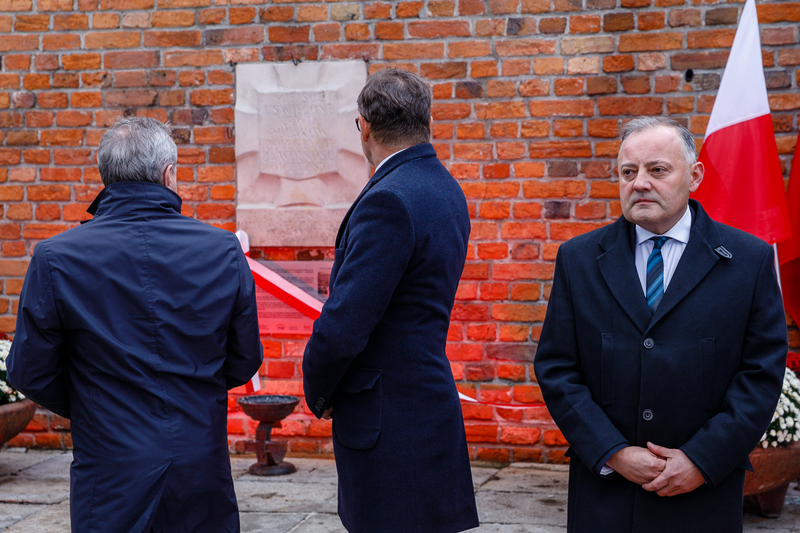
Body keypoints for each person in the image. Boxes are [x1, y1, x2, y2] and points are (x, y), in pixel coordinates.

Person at [8, 117, 263, 533]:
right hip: (198, 455)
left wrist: (98, 404)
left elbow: (28, 371)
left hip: (110, 462)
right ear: (168, 175)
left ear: (105, 177)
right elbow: (244, 357)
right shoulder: (222, 250)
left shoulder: (57, 258)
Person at [534, 116, 787, 532]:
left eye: (657, 170)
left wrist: (701, 459)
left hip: (701, 498)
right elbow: (558, 369)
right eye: (628, 172)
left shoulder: (748, 261)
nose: (640, 183)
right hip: (607, 498)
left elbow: (760, 375)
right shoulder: (578, 260)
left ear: (695, 176)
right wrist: (612, 451)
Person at [302, 69, 479, 533]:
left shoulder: (390, 200)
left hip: (388, 421)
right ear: (428, 120)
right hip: (427, 405)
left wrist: (319, 391)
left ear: (364, 127)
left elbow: (344, 324)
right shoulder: (446, 188)